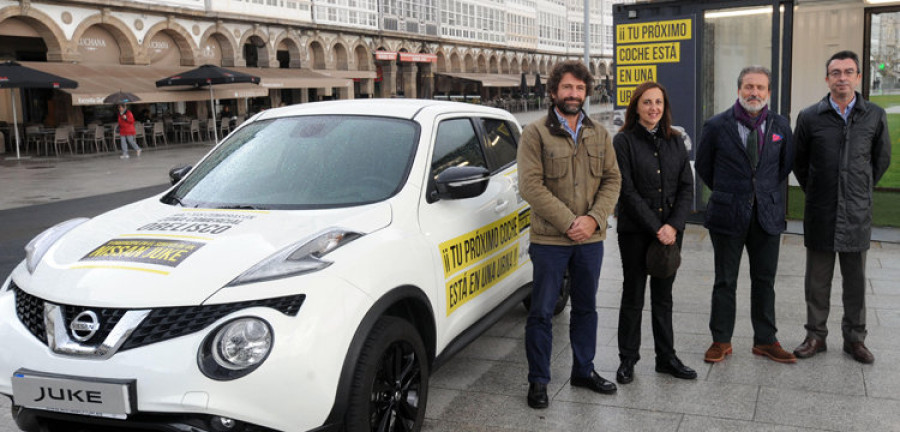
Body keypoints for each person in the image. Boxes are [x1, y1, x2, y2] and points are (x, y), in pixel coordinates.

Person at [517, 60, 622, 409]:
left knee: (587, 308)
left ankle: (583, 370)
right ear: (553, 92)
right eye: (567, 88)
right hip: (550, 240)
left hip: (590, 240)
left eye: (579, 88)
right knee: (542, 312)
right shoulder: (535, 133)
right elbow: (531, 186)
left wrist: (592, 220)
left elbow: (612, 180)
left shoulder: (599, 134)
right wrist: (569, 222)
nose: (574, 94)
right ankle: (538, 381)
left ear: (586, 93)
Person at [792, 50, 891, 364]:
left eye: (849, 72)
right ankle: (815, 336)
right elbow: (799, 162)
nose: (842, 78)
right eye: (836, 73)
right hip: (821, 211)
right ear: (827, 79)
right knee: (817, 280)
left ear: (858, 77)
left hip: (856, 214)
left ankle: (855, 340)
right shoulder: (809, 117)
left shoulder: (874, 115)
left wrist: (858, 188)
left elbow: (881, 159)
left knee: (856, 282)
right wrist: (820, 189)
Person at [695, 65, 796, 364]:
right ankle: (721, 340)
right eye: (749, 86)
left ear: (768, 92)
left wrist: (759, 191)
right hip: (728, 214)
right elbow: (704, 167)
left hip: (767, 215)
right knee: (725, 280)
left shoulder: (780, 126)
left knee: (764, 280)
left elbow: (783, 166)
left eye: (760, 87)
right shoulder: (716, 126)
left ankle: (765, 340)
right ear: (738, 90)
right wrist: (731, 192)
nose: (754, 92)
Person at [613, 81, 696, 384]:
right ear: (636, 106)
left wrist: (672, 226)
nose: (653, 108)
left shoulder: (675, 140)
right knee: (633, 294)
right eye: (647, 102)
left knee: (663, 297)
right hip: (636, 231)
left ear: (665, 107)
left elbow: (687, 186)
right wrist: (656, 227)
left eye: (658, 102)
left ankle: (666, 358)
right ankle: (628, 359)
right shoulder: (623, 142)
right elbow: (627, 190)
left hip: (670, 233)